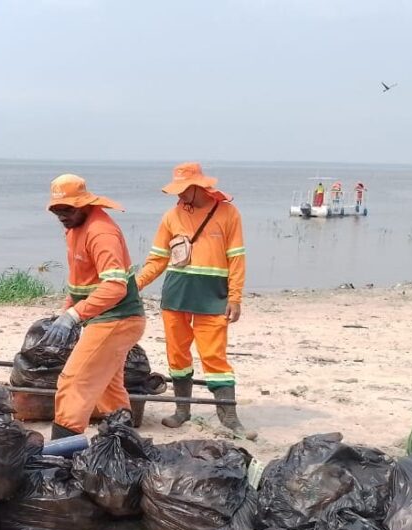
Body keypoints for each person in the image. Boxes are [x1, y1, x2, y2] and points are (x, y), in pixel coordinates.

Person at [135, 162, 255, 439]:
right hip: (176, 294)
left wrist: (235, 297)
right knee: (177, 354)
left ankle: (229, 417)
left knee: (214, 356)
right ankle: (182, 411)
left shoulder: (228, 213)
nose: (177, 195)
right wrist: (135, 285)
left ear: (197, 187)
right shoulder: (171, 217)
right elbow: (157, 260)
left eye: (182, 190)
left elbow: (236, 258)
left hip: (213, 296)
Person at [44, 174, 145, 439]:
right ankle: (123, 445)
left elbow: (115, 287)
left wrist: (74, 317)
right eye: (57, 211)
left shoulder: (101, 232)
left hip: (117, 317)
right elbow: (81, 280)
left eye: (67, 209)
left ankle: (61, 453)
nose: (62, 215)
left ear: (84, 203)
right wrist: (67, 311)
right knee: (109, 388)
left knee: (74, 381)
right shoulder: (75, 229)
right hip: (106, 318)